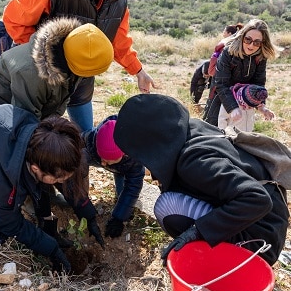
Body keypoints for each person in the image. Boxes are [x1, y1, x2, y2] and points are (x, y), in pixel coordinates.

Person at [2, 0, 156, 132]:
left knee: (86, 138)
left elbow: (118, 41)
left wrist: (138, 71)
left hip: (81, 80)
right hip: (41, 80)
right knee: (30, 136)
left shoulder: (119, 1)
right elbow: (14, 19)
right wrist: (41, 57)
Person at [114, 94, 289, 266]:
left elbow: (258, 199)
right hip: (265, 217)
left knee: (169, 208)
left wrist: (198, 231)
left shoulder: (192, 161)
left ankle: (214, 262)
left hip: (261, 240)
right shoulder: (186, 130)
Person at [0, 96, 86, 273]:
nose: (62, 182)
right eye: (58, 180)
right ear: (35, 168)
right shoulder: (0, 181)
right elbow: (10, 224)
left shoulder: (34, 138)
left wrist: (85, 209)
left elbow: (35, 184)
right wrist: (50, 248)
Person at [0, 18, 114, 120]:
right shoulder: (31, 73)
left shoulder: (72, 53)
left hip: (17, 113)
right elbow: (22, 123)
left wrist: (52, 122)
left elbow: (65, 93)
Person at [78, 116, 145, 241]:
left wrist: (118, 218)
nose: (103, 164)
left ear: (123, 154)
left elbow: (133, 187)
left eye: (107, 160)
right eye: (102, 159)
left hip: (124, 166)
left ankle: (117, 173)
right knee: (79, 159)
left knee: (124, 198)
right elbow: (73, 147)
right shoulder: (91, 138)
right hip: (94, 155)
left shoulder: (135, 160)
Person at [203, 19, 276, 127]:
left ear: (262, 43)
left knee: (239, 137)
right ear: (242, 37)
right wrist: (232, 107)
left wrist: (262, 106)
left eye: (257, 42)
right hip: (221, 97)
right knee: (212, 133)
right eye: (248, 39)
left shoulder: (261, 57)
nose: (251, 46)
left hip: (244, 101)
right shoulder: (228, 53)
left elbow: (259, 83)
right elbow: (221, 84)